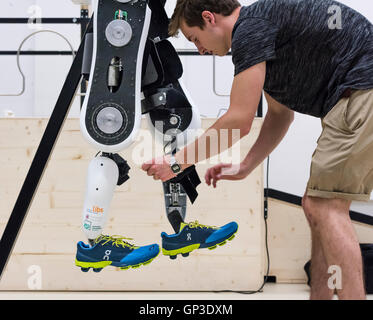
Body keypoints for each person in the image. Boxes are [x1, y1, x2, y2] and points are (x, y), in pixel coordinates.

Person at [141, 0, 373, 300]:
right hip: (355, 93)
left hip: (360, 91)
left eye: (195, 39)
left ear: (209, 18)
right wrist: (247, 166)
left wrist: (176, 163)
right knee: (316, 206)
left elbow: (238, 119)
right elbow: (280, 114)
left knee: (325, 208)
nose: (199, 50)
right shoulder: (262, 33)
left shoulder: (250, 29)